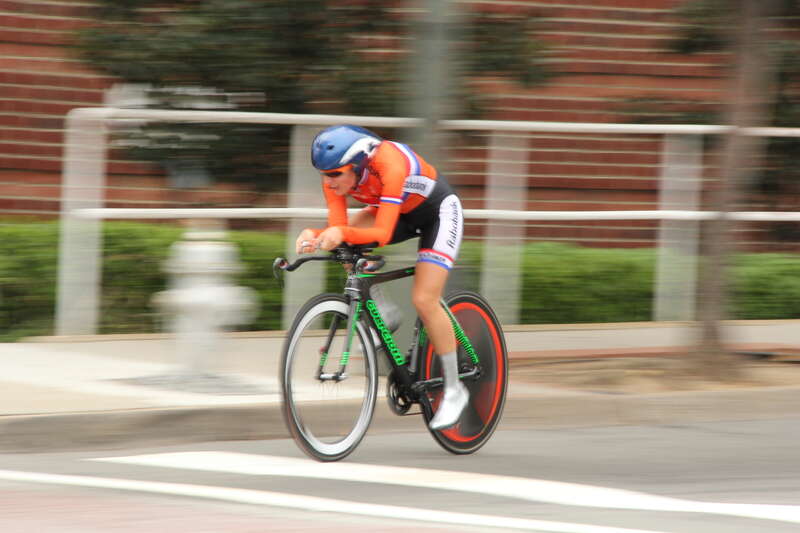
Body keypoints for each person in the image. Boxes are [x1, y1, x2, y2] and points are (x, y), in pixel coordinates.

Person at [295, 124, 466, 430]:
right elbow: (340, 229)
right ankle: (384, 312)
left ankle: (455, 389)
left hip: (437, 213)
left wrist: (336, 232)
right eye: (323, 174)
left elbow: (383, 233)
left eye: (335, 174)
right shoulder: (335, 177)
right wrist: (317, 235)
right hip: (398, 211)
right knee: (346, 246)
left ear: (359, 165)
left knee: (424, 300)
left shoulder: (390, 165)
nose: (328, 182)